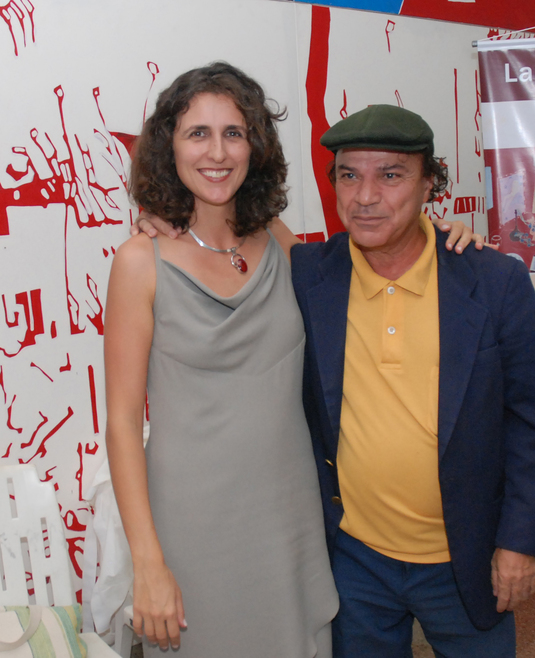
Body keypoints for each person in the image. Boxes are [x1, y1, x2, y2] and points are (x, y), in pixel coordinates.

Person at [290, 104, 535, 657]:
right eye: (349, 175)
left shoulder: (492, 280)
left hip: (465, 560)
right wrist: (161, 223)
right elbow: (230, 239)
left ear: (429, 183)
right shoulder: (310, 274)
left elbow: (531, 421)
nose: (365, 196)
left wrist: (518, 543)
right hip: (356, 561)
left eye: (391, 175)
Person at [104, 62, 341, 657]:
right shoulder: (140, 262)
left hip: (290, 515)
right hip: (194, 527)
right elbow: (123, 424)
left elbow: (362, 284)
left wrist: (446, 244)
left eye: (233, 133)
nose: (217, 152)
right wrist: (148, 563)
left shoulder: (277, 240)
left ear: (255, 146)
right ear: (169, 147)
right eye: (197, 133)